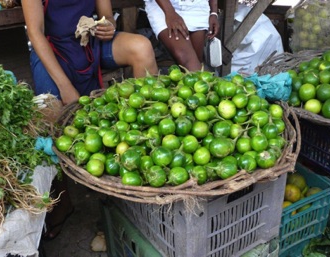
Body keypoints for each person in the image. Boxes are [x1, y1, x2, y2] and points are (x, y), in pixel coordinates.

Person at [21, 0, 158, 240]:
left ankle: (143, 152)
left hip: (88, 43)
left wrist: (107, 26)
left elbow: (105, 15)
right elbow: (35, 32)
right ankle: (62, 200)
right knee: (50, 115)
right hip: (52, 51)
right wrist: (65, 87)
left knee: (142, 47)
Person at [144, 0, 220, 71]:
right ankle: (207, 83)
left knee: (196, 61)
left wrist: (214, 12)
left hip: (197, 6)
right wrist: (170, 12)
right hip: (163, 6)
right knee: (186, 59)